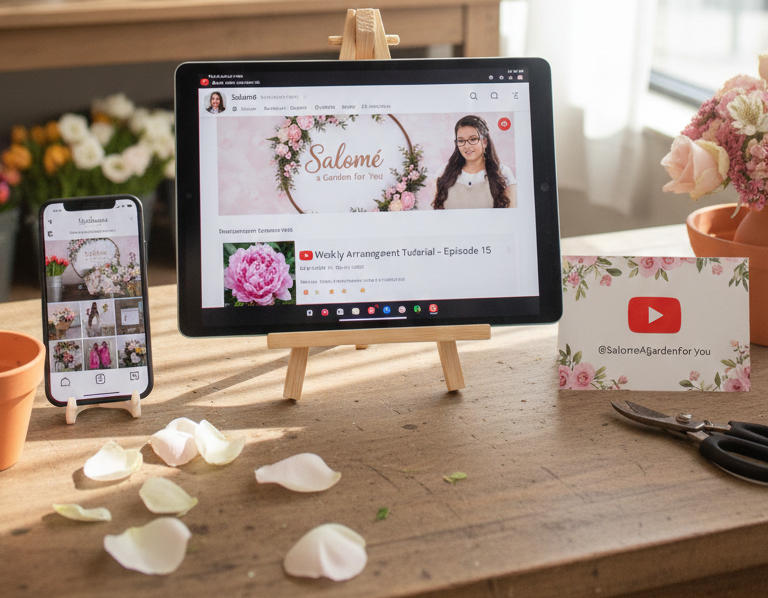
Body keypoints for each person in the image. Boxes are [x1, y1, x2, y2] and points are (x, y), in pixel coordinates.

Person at [432, 115, 517, 210]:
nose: (467, 146)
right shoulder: (444, 173)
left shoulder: (503, 173)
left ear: (484, 142)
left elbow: (512, 218)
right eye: (461, 141)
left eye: (473, 139)